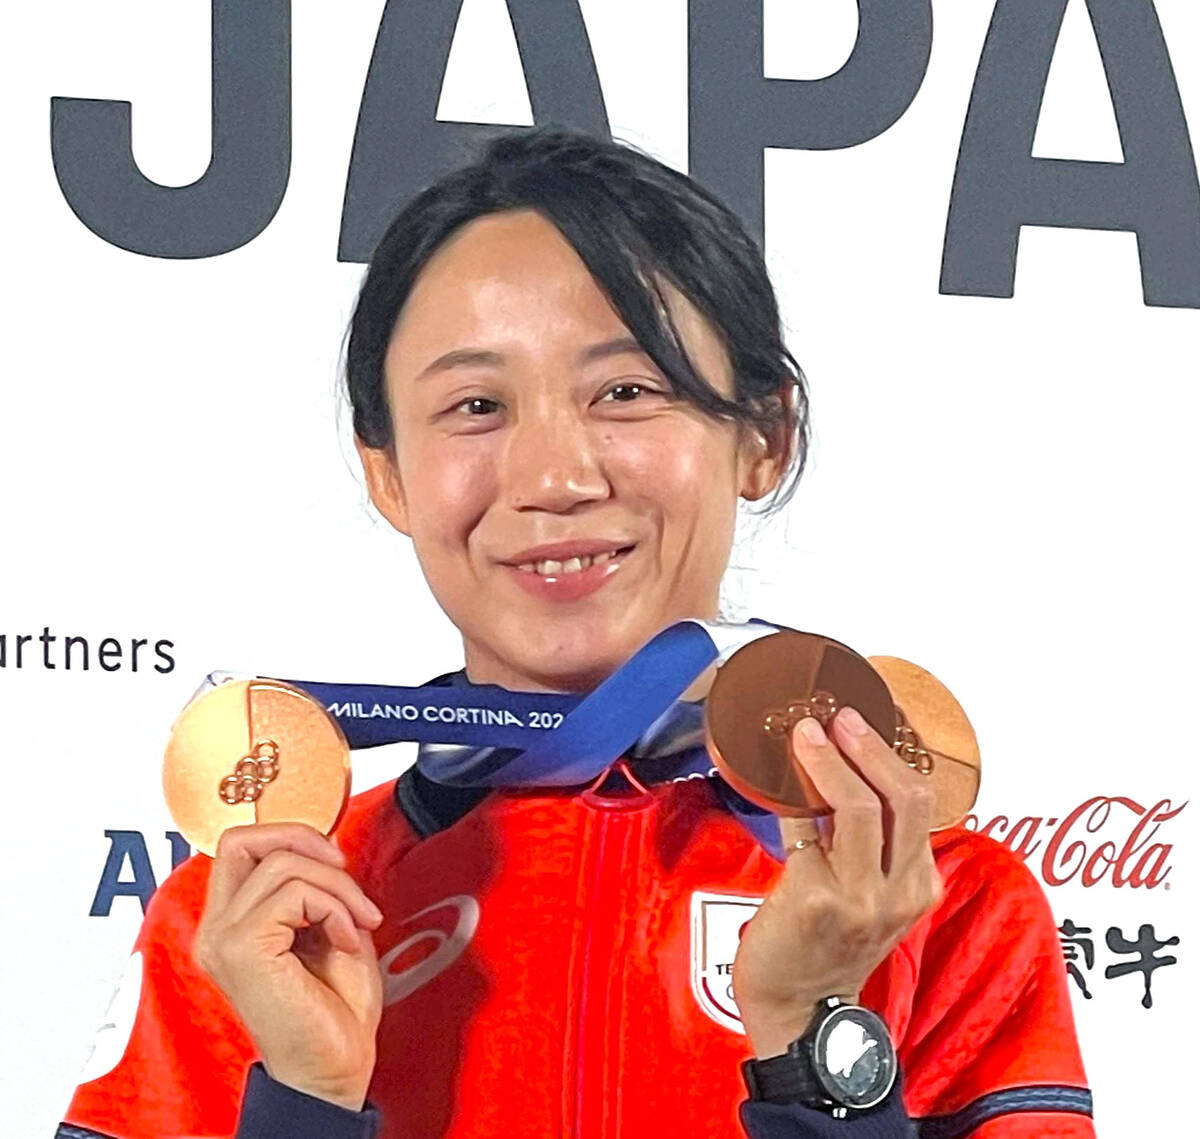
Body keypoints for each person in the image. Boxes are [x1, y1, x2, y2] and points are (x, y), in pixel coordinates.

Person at [59, 127, 1094, 1139]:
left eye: (627, 391)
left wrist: (813, 1038)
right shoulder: (261, 919)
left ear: (765, 437)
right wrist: (304, 1101)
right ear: (388, 473)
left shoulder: (936, 898)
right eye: (476, 404)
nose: (555, 478)